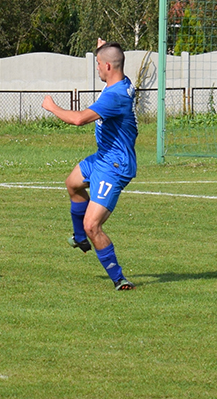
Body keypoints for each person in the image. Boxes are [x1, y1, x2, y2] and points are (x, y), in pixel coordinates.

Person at [42, 40, 138, 290]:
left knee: (93, 224)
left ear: (107, 65)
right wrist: (104, 46)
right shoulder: (122, 83)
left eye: (97, 64)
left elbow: (78, 119)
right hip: (103, 156)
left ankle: (119, 279)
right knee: (72, 184)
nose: (96, 68)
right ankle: (80, 239)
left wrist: (52, 107)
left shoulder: (115, 97)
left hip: (115, 166)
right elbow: (113, 58)